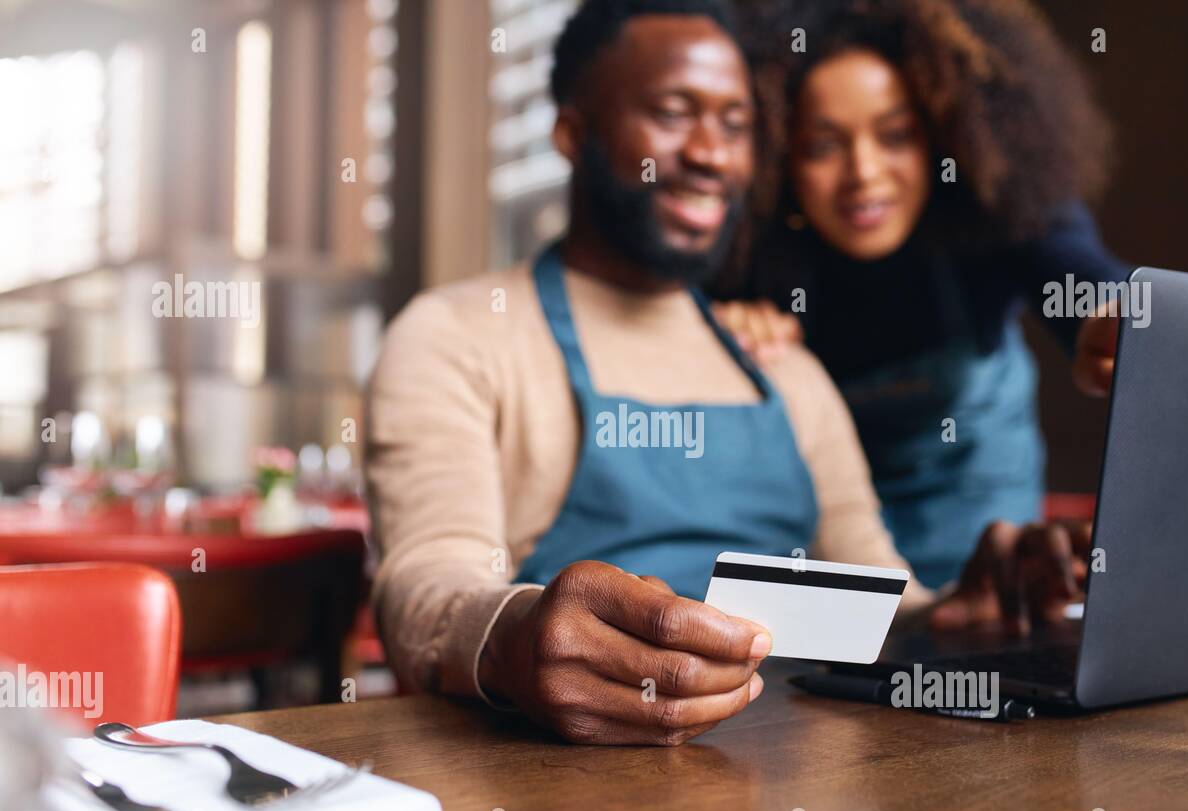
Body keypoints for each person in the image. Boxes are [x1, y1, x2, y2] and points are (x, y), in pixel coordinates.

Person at [365, 0, 1084, 747]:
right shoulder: (455, 335)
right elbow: (425, 584)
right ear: (573, 133)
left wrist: (966, 611)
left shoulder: (786, 369)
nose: (712, 154)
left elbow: (880, 605)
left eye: (736, 124)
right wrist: (512, 636)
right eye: (674, 113)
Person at [713, 0, 1126, 588]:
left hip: (995, 590)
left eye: (896, 135)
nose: (864, 173)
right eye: (822, 146)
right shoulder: (752, 259)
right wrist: (720, 337)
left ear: (943, 135)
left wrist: (1114, 323)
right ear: (777, 158)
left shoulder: (994, 209)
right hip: (838, 599)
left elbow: (1089, 283)